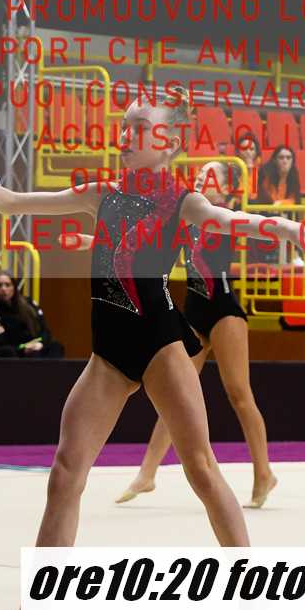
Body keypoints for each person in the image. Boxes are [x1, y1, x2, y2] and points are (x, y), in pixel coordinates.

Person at [0, 86, 305, 610]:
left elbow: (231, 219)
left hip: (159, 344)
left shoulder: (182, 201)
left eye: (139, 128)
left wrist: (287, 230)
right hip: (109, 354)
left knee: (200, 468)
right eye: (125, 125)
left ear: (169, 142)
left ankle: (254, 597)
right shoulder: (100, 193)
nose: (125, 135)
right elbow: (12, 200)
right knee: (65, 474)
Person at [116, 160, 276, 509]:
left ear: (227, 188)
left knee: (239, 393)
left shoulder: (225, 215)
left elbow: (260, 228)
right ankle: (147, 473)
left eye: (210, 175)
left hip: (223, 311)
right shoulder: (186, 214)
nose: (202, 178)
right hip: (194, 312)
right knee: (176, 394)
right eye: (200, 174)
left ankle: (264, 472)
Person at [0, 270, 64, 358]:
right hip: (18, 348)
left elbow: (45, 330)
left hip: (36, 342)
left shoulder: (28, 303)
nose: (3, 289)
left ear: (14, 287)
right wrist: (24, 348)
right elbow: (5, 339)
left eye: (7, 285)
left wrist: (40, 343)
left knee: (56, 346)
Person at [233, 131, 262, 202]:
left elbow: (253, 196)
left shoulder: (262, 171)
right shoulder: (232, 170)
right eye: (244, 149)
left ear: (256, 153)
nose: (248, 152)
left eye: (251, 149)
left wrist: (250, 170)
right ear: (238, 152)